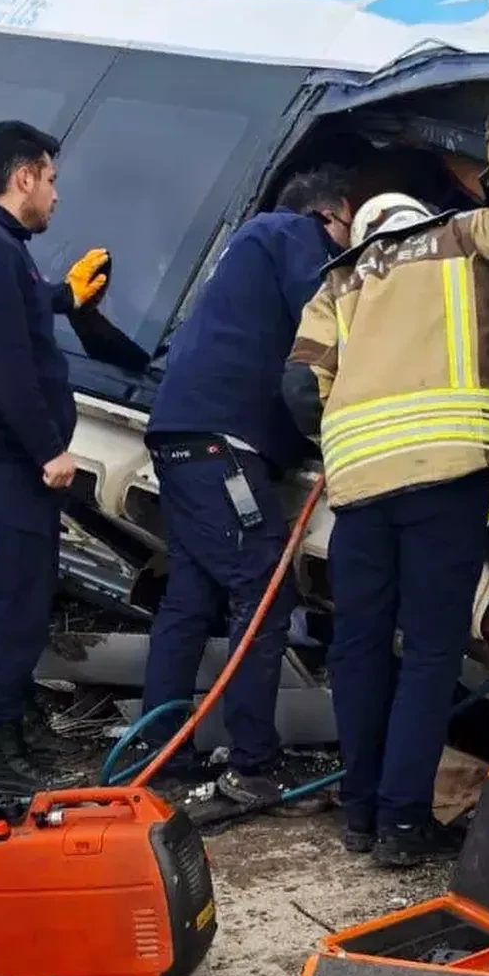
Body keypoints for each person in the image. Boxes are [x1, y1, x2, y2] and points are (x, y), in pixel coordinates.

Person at [283, 161, 489, 868]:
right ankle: (404, 824)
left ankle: (361, 813)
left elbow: (298, 389)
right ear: (415, 210)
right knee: (428, 652)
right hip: (444, 481)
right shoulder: (461, 237)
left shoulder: (339, 281)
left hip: (358, 492)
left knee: (356, 652)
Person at [140, 167, 355, 811]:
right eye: (349, 233)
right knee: (263, 591)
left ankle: (161, 753)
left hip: (182, 436)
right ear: (332, 213)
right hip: (220, 445)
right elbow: (327, 317)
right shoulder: (294, 233)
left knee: (191, 596)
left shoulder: (242, 252)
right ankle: (254, 764)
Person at [0, 122, 114, 800]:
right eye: (52, 179)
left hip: (6, 470)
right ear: (24, 176)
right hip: (4, 468)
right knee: (11, 610)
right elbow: (2, 361)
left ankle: (20, 720)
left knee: (28, 606)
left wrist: (64, 297)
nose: (56, 197)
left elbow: (16, 314)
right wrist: (50, 449)